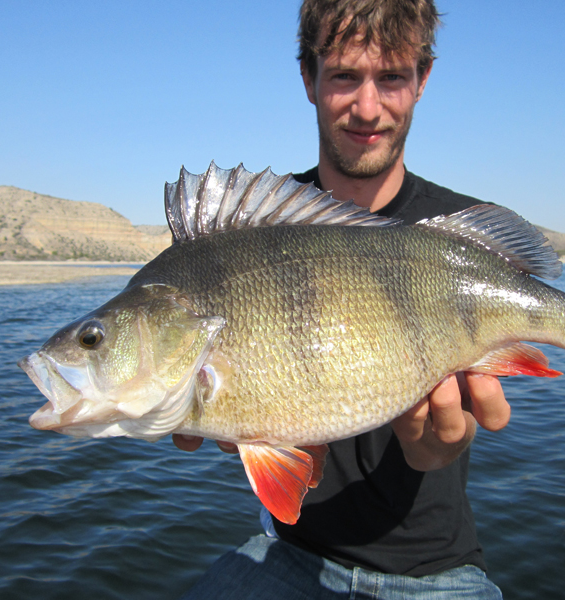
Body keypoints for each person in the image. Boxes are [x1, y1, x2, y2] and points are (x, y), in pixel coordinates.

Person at [177, 1, 511, 597]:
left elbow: (488, 411)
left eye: (391, 77)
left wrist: (448, 445)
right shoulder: (248, 237)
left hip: (440, 573)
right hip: (288, 553)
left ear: (422, 79)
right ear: (307, 77)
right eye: (343, 76)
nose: (367, 106)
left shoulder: (455, 233)